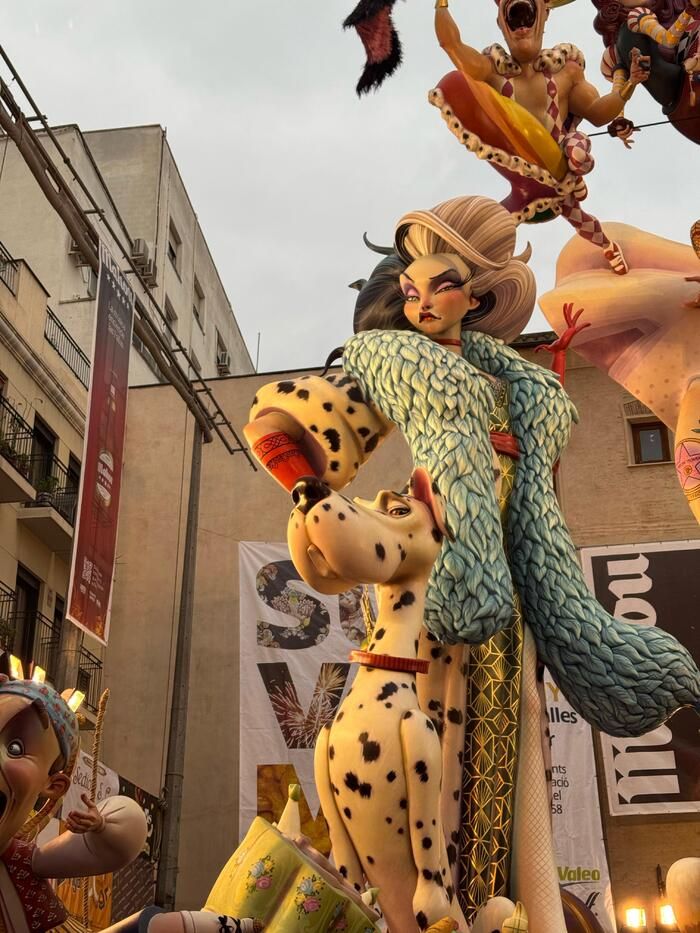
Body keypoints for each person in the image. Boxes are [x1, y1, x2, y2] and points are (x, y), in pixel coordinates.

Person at [244, 195, 700, 929]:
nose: (422, 299)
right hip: (442, 586)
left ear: (477, 295)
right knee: (442, 745)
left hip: (512, 589)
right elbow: (275, 422)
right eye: (412, 286)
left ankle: (529, 911)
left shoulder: (514, 386)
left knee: (522, 734)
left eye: (444, 282)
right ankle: (436, 904)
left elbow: (535, 497)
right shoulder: (396, 366)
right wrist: (306, 490)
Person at [432, 0, 651, 273]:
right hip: (525, 174)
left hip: (561, 162)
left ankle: (607, 247)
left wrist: (630, 85)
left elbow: (597, 113)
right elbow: (452, 45)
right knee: (508, 224)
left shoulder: (565, 72)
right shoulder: (491, 70)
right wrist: (441, 4)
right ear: (501, 22)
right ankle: (606, 246)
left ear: (544, 14)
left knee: (578, 156)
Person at [0, 675, 147, 933]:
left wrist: (104, 826)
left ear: (54, 786)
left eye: (14, 748)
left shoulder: (21, 865)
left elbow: (129, 829)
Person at [591, 0, 700, 143]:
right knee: (628, 36)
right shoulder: (634, 21)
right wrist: (619, 118)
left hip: (689, 61)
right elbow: (668, 39)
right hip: (676, 85)